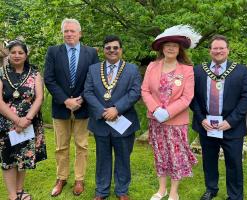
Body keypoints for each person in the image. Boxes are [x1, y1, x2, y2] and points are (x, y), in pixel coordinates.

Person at [190, 35, 247, 200]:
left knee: (234, 163)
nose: (218, 51)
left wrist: (231, 121)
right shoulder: (198, 70)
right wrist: (201, 119)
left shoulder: (240, 70)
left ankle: (234, 195)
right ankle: (211, 189)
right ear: (210, 50)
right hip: (207, 126)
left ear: (228, 50)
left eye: (221, 48)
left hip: (231, 127)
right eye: (215, 48)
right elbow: (192, 97)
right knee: (209, 161)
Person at [141, 25, 200, 200]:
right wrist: (155, 109)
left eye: (174, 45)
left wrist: (168, 112)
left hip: (176, 121)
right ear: (162, 48)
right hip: (155, 120)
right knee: (160, 154)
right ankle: (161, 189)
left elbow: (187, 96)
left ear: (179, 49)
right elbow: (145, 91)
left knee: (176, 156)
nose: (171, 48)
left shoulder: (187, 70)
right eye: (167, 45)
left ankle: (174, 192)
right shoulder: (152, 66)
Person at [44, 18, 99, 197]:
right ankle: (61, 178)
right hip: (61, 107)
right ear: (62, 33)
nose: (69, 34)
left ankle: (79, 179)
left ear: (79, 33)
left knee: (82, 145)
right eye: (66, 31)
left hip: (83, 107)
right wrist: (66, 100)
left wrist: (81, 99)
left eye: (72, 31)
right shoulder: (53, 52)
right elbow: (49, 79)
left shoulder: (91, 53)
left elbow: (93, 79)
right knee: (61, 146)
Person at [84, 35, 141, 200]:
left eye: (115, 48)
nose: (112, 51)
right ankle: (101, 191)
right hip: (101, 121)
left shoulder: (132, 69)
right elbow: (87, 92)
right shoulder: (93, 69)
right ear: (104, 50)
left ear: (121, 50)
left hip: (123, 122)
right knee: (102, 158)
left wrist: (116, 109)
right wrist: (103, 111)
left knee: (123, 157)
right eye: (108, 48)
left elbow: (135, 92)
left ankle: (122, 191)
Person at [0, 40, 47, 200]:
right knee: (9, 158)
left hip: (29, 123)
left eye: (20, 52)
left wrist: (26, 119)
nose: (17, 55)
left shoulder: (34, 74)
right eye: (13, 52)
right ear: (8, 54)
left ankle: (20, 190)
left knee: (24, 157)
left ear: (26, 55)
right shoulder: (1, 73)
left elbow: (39, 98)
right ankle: (12, 196)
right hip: (7, 124)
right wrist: (16, 120)